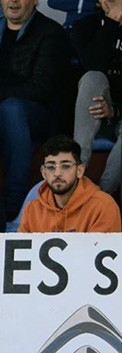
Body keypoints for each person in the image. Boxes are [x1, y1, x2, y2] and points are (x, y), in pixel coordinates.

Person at [0, 0, 71, 222]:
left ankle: (14, 208)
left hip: (36, 115)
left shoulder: (51, 33)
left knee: (11, 109)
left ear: (35, 1)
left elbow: (42, 87)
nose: (13, 1)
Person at [70, 0, 122, 205]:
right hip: (94, 107)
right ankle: (75, 172)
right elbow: (92, 64)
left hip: (118, 112)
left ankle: (102, 198)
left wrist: (115, 111)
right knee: (92, 77)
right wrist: (111, 23)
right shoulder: (85, 26)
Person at [18, 135, 122, 232]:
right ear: (43, 173)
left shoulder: (103, 206)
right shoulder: (32, 209)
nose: (57, 173)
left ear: (80, 170)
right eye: (50, 167)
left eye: (65, 166)